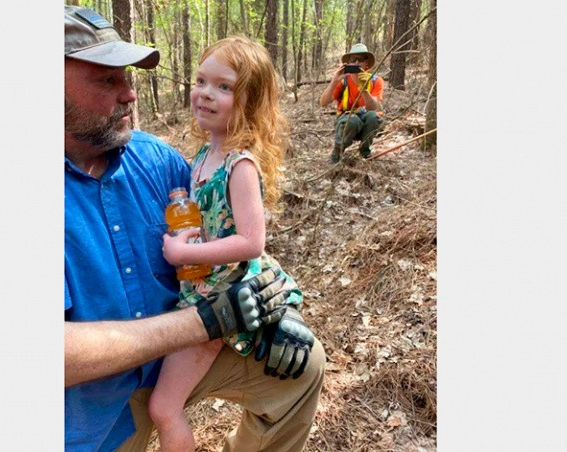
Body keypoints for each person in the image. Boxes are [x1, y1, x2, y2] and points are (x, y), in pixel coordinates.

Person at [63, 6, 326, 452]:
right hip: (89, 406)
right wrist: (206, 321)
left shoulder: (156, 160)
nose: (130, 94)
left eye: (128, 77)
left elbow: (232, 230)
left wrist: (279, 303)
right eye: (108, 80)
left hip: (180, 352)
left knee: (304, 366)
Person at [147, 36, 309, 452]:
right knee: (163, 404)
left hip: (219, 302)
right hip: (196, 289)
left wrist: (186, 253)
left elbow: (252, 242)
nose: (205, 93)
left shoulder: (240, 164)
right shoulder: (203, 155)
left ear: (249, 101)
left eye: (224, 86)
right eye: (201, 80)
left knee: (165, 408)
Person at [319, 43, 385, 163]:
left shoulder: (375, 81)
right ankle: (337, 152)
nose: (356, 63)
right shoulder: (342, 81)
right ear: (348, 63)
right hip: (346, 122)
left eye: (359, 59)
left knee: (373, 117)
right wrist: (334, 81)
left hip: (366, 121)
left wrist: (364, 89)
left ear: (366, 63)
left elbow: (373, 107)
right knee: (352, 120)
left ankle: (365, 151)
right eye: (352, 60)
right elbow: (323, 103)